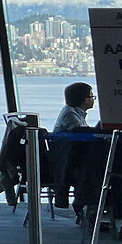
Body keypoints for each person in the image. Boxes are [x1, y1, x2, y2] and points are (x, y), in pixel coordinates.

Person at [49, 82, 100, 216]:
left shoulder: (74, 113)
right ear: (84, 100)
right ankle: (87, 206)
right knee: (92, 171)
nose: (93, 99)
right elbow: (79, 134)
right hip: (64, 161)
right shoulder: (70, 114)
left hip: (68, 159)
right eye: (92, 96)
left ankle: (89, 207)